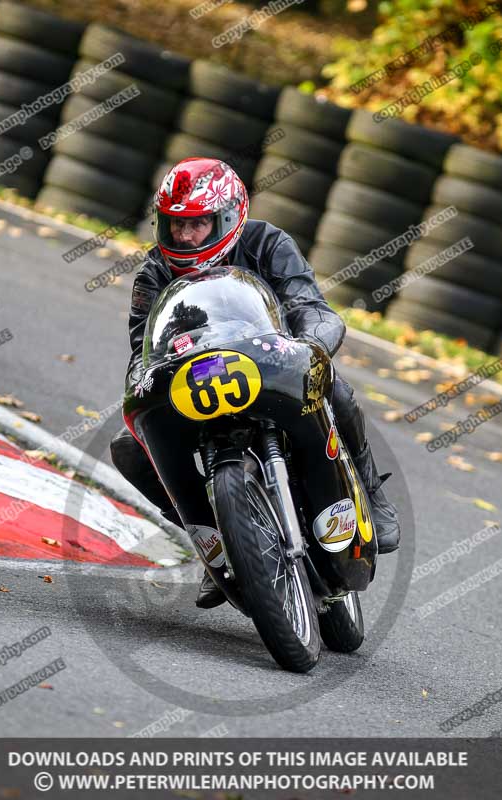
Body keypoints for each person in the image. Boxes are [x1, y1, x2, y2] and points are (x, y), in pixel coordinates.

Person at [111, 157, 401, 608]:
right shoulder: (153, 274)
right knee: (127, 448)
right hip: (200, 383)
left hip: (271, 366)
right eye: (174, 225)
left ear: (227, 218)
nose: (183, 237)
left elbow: (308, 303)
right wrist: (146, 380)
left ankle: (372, 496)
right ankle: (217, 544)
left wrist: (313, 341)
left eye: (197, 225)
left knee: (335, 387)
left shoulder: (267, 242)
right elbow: (141, 347)